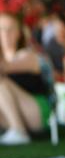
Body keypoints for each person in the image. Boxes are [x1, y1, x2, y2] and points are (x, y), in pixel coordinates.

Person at [0, 12, 51, 145]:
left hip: (37, 113)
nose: (5, 34)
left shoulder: (28, 55)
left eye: (10, 29)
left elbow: (5, 68)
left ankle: (18, 130)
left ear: (19, 33)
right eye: (1, 29)